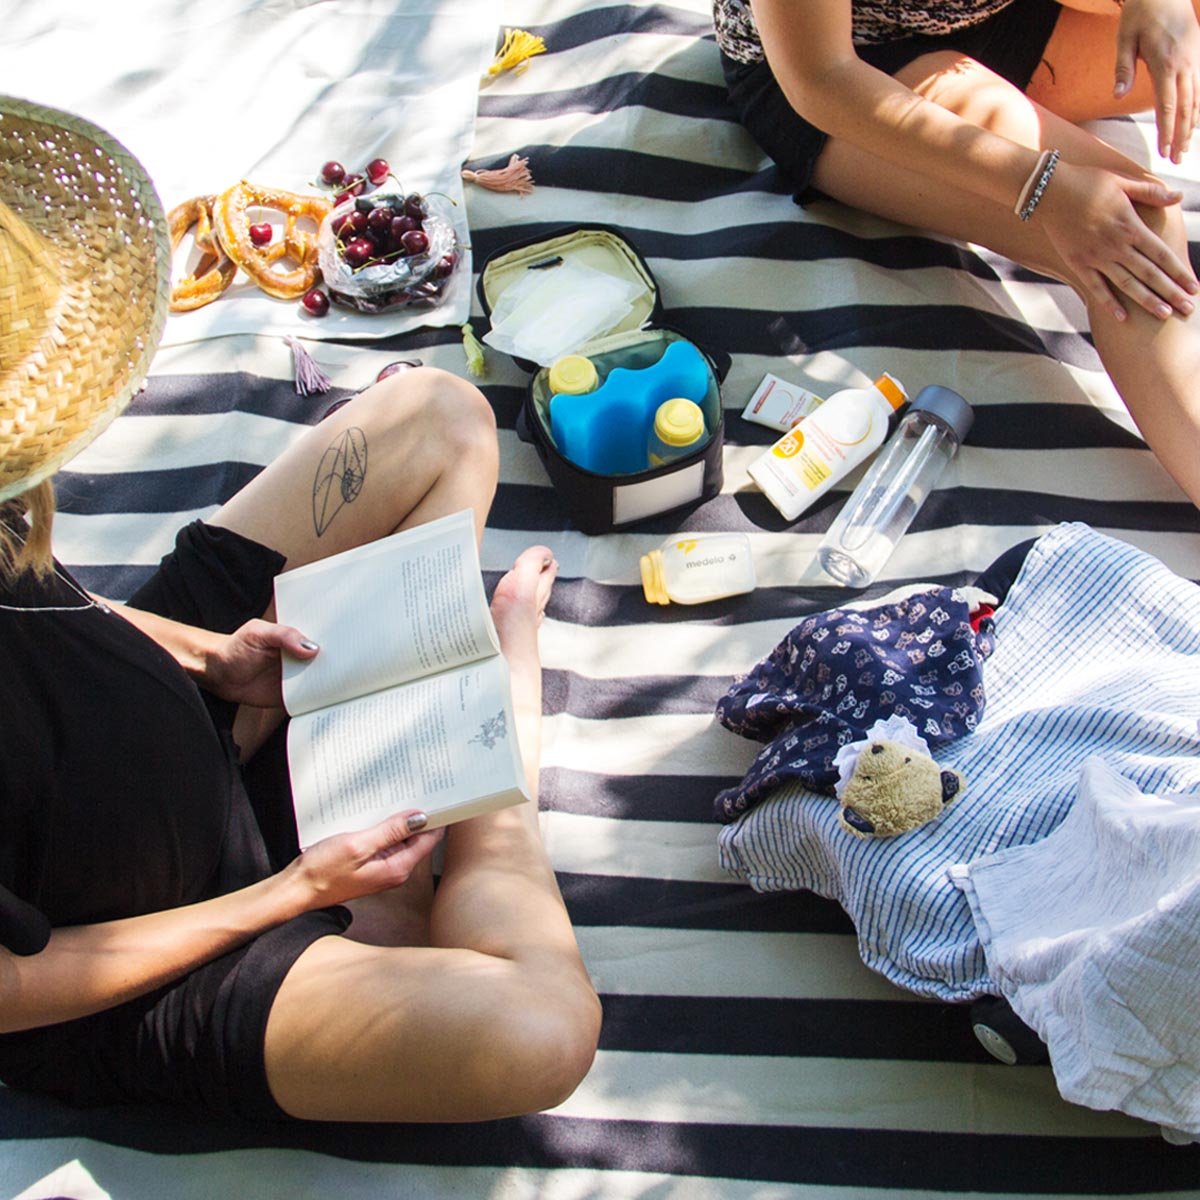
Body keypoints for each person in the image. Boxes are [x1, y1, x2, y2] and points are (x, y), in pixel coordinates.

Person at [0, 96, 601, 1122]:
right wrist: (291, 895)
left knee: (438, 415)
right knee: (538, 1031)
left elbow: (50, 611)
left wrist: (208, 657)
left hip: (164, 728)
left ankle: (420, 757)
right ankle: (495, 774)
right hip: (129, 960)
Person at [714, 0, 1200, 507]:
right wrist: (1044, 185)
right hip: (855, 70)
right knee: (1136, 234)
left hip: (999, 19)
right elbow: (821, 76)